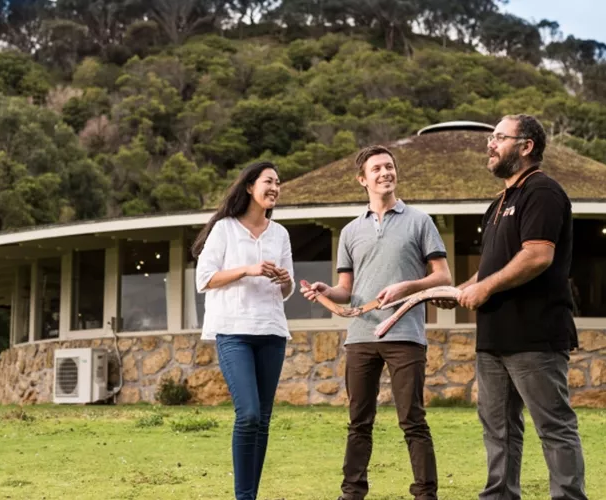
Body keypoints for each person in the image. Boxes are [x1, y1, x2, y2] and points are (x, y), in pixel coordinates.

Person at [434, 114, 588, 500]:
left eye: (499, 137)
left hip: (534, 334)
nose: (490, 144)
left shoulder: (543, 191)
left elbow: (537, 255)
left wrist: (484, 288)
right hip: (493, 337)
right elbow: (491, 268)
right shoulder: (498, 204)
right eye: (491, 138)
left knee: (554, 427)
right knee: (498, 429)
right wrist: (459, 291)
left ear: (526, 146)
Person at [301, 145, 452, 500]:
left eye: (389, 166)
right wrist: (326, 291)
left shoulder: (420, 221)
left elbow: (443, 276)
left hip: (405, 334)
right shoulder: (350, 231)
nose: (385, 173)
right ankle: (352, 493)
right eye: (377, 169)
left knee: (412, 420)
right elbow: (345, 290)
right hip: (361, 336)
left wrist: (407, 286)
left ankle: (425, 494)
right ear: (362, 180)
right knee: (359, 422)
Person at [192, 160, 295, 500]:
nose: (275, 188)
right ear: (250, 187)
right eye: (268, 181)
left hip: (272, 331)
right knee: (248, 414)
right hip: (233, 331)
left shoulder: (280, 234)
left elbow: (287, 290)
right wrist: (247, 270)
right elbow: (204, 279)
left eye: (278, 183)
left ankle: (249, 496)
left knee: (262, 419)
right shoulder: (225, 229)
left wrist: (285, 280)